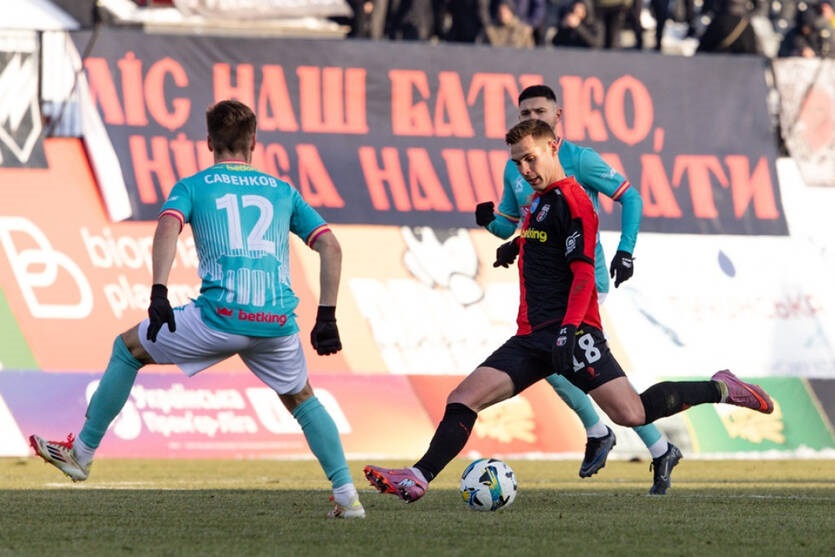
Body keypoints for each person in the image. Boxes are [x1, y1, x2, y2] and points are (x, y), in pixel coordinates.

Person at [363, 119, 774, 504]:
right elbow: (544, 240)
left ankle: (720, 387)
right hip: (531, 336)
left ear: (553, 147)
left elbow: (582, 276)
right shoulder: (539, 202)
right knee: (463, 398)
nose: (525, 169)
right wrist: (515, 246)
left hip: (573, 333)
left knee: (631, 412)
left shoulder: (574, 201)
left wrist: (569, 330)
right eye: (517, 163)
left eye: (530, 158)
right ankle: (417, 477)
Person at [29, 99, 365, 520]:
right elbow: (330, 245)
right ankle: (347, 497)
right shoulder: (282, 191)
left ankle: (82, 453)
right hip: (276, 322)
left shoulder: (193, 186)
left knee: (127, 350)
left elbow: (168, 225)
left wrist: (159, 291)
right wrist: (327, 315)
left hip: (218, 318)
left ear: (208, 141)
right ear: (253, 141)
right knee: (302, 399)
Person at [475, 84, 679, 495]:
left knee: (560, 361)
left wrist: (626, 250)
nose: (532, 116)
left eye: (540, 110)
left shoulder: (579, 159)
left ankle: (600, 431)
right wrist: (489, 221)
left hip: (584, 280)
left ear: (558, 115)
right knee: (565, 367)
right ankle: (657, 448)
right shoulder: (516, 167)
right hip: (545, 289)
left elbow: (631, 198)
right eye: (524, 112)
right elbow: (514, 225)